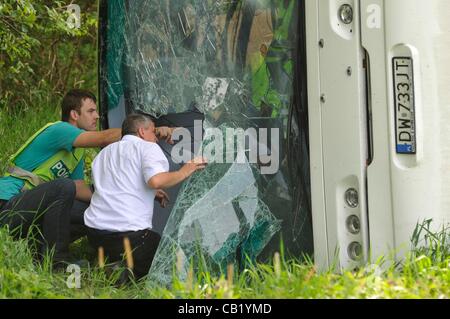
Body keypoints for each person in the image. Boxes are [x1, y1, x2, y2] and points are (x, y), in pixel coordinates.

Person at [0, 89, 174, 266]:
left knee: (95, 212)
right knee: (63, 187)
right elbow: (104, 138)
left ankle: (38, 249)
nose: (97, 116)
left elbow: (80, 189)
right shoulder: (60, 130)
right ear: (74, 114)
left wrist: (137, 191)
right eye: (91, 111)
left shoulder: (76, 152)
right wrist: (153, 131)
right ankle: (57, 261)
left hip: (30, 211)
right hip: (7, 207)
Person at [84, 114, 206, 280]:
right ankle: (120, 274)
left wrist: (148, 192)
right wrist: (185, 170)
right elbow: (156, 180)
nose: (156, 139)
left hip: (95, 235)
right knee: (171, 258)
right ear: (142, 131)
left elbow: (115, 185)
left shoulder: (105, 153)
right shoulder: (147, 148)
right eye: (153, 133)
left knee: (128, 255)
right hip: (130, 238)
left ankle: (110, 265)